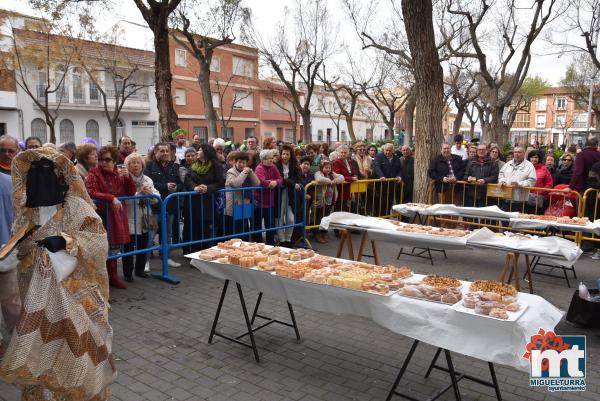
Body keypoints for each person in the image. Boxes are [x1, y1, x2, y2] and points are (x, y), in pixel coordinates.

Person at [0, 148, 116, 400]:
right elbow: (18, 246)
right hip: (35, 297)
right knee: (40, 357)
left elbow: (99, 242)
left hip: (76, 298)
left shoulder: (76, 206)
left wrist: (67, 241)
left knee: (79, 354)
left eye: (45, 171)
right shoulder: (27, 211)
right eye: (34, 172)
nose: (39, 179)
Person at [86, 145, 136, 289]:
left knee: (114, 247)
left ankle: (113, 276)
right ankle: (102, 280)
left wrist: (127, 178)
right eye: (100, 159)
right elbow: (90, 191)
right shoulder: (93, 173)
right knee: (102, 248)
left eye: (107, 160)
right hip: (100, 215)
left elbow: (131, 192)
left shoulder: (120, 173)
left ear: (114, 160)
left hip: (116, 216)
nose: (103, 163)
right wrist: (110, 197)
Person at [143, 143, 183, 268]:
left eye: (167, 150)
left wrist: (176, 188)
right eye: (162, 151)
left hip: (169, 206)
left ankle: (165, 257)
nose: (165, 153)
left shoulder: (174, 166)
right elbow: (149, 184)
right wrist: (165, 186)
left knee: (167, 234)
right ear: (155, 153)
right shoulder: (149, 166)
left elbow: (180, 183)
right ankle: (145, 261)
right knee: (150, 235)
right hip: (154, 207)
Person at [122, 153, 160, 281]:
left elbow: (157, 197)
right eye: (133, 163)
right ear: (128, 165)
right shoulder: (124, 179)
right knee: (128, 248)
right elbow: (124, 200)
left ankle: (140, 270)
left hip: (144, 218)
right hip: (129, 217)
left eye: (138, 162)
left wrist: (151, 195)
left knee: (143, 246)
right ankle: (127, 273)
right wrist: (139, 194)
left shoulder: (147, 179)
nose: (136, 165)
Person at [182, 144, 224, 250]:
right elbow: (188, 179)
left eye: (199, 150)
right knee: (192, 227)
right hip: (193, 201)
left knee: (205, 228)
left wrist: (207, 188)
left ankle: (203, 253)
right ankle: (192, 252)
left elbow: (220, 183)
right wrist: (195, 187)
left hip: (207, 202)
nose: (197, 152)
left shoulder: (216, 166)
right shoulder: (194, 165)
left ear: (206, 152)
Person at [225, 152, 260, 238]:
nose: (241, 164)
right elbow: (236, 184)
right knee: (236, 230)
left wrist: (251, 172)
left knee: (244, 229)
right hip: (235, 204)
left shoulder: (247, 171)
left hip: (245, 203)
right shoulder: (231, 172)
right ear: (235, 162)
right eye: (239, 162)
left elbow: (257, 183)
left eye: (243, 163)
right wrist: (244, 172)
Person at [252, 150, 283, 245]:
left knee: (270, 224)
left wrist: (275, 182)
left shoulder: (273, 166)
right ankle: (258, 243)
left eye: (271, 158)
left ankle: (270, 242)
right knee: (257, 224)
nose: (271, 160)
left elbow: (280, 179)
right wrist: (272, 182)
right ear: (262, 159)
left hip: (270, 201)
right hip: (259, 201)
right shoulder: (259, 168)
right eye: (268, 158)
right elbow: (262, 181)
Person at [276, 145, 301, 247]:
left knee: (290, 218)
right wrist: (292, 183)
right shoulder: (277, 165)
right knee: (279, 218)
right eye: (283, 154)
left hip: (290, 194)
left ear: (291, 155)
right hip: (279, 193)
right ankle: (282, 240)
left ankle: (288, 238)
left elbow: (297, 178)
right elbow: (280, 179)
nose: (285, 156)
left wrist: (290, 183)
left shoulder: (294, 165)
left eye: (287, 154)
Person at [498, 146, 536, 212]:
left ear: (524, 154)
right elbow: (501, 174)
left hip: (519, 200)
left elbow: (532, 180)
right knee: (504, 219)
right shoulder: (508, 164)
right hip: (506, 197)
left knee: (515, 220)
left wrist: (519, 184)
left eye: (519, 152)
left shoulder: (529, 166)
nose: (517, 154)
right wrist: (502, 181)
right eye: (515, 152)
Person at [313, 160, 344, 243]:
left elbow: (341, 177)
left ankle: (324, 232)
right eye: (326, 168)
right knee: (318, 216)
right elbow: (319, 179)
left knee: (326, 216)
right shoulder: (318, 173)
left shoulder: (332, 174)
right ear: (322, 168)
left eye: (329, 168)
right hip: (320, 199)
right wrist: (330, 181)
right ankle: (317, 233)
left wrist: (335, 181)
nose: (328, 169)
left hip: (329, 199)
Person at [373, 143, 403, 214]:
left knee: (389, 203)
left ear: (393, 150)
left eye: (390, 150)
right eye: (386, 150)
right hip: (381, 186)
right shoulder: (378, 157)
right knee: (381, 204)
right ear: (383, 150)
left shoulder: (396, 158)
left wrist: (399, 176)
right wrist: (381, 176)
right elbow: (377, 167)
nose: (388, 152)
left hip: (392, 186)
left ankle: (387, 218)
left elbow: (400, 169)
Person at [332, 145, 359, 211]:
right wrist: (351, 179)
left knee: (346, 208)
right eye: (342, 152)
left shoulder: (348, 162)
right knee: (339, 207)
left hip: (348, 188)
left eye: (345, 152)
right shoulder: (336, 162)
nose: (343, 154)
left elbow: (351, 172)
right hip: (340, 188)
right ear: (338, 153)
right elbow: (338, 175)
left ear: (347, 153)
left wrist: (354, 176)